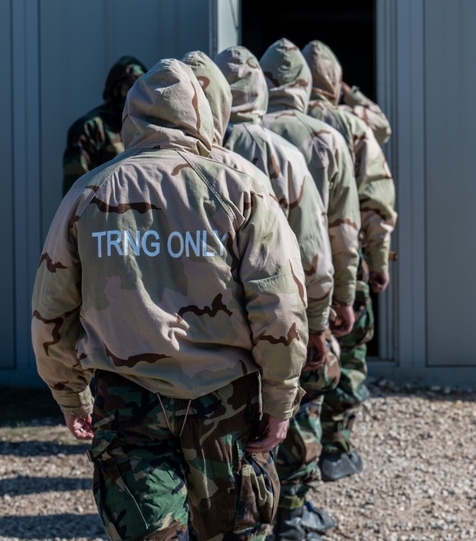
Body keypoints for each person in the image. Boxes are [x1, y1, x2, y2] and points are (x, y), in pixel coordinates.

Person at [32, 58, 307, 541]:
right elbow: (279, 305)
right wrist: (281, 399)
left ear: (130, 117)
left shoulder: (89, 191)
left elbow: (52, 307)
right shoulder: (240, 186)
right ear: (203, 111)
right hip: (224, 396)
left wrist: (68, 392)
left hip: (126, 394)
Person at [259, 38, 361, 539]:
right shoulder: (325, 137)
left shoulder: (232, 141)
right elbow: (340, 232)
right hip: (302, 299)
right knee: (305, 399)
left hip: (246, 303)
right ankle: (294, 513)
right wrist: (342, 299)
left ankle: (251, 508)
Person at [302, 39, 397, 484]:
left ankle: (290, 453)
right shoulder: (352, 125)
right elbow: (375, 202)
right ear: (335, 82)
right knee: (350, 354)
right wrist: (378, 262)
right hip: (344, 265)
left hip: (283, 268)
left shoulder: (268, 126)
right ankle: (335, 449)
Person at [61, 55, 147, 195]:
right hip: (102, 210)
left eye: (140, 88)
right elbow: (75, 190)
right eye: (128, 88)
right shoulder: (90, 127)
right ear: (113, 90)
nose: (134, 96)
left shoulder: (147, 125)